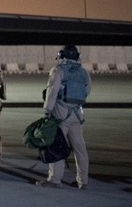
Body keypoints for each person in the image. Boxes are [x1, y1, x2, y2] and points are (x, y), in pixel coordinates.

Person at [37, 45, 91, 189]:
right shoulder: (84, 73)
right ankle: (83, 181)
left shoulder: (58, 70)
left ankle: (55, 179)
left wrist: (47, 111)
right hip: (77, 114)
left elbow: (52, 92)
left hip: (60, 114)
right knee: (80, 148)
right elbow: (87, 91)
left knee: (57, 145)